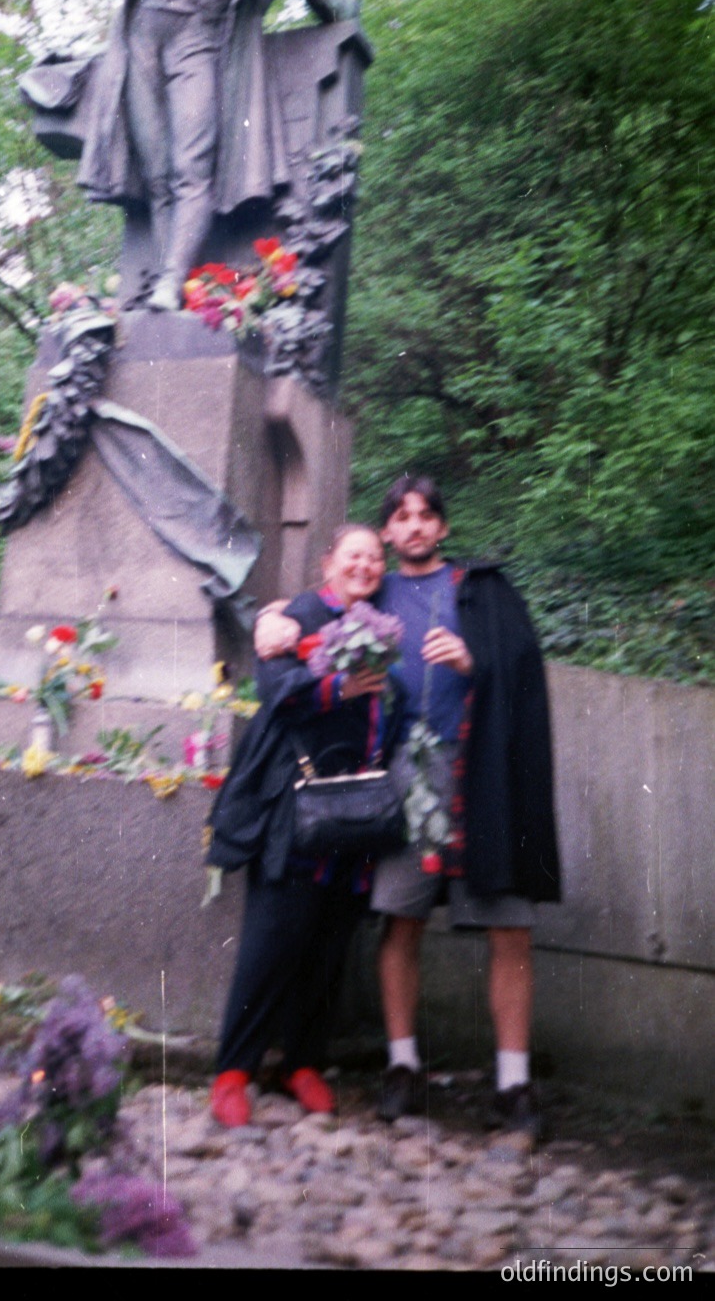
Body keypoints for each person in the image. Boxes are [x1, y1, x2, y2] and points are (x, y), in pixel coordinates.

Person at [254, 476, 561, 1140]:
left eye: (427, 515)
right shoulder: (375, 591)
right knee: (400, 916)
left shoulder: (480, 588)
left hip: (481, 772)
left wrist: (473, 659)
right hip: (404, 771)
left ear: (441, 529)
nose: (415, 525)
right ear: (388, 533)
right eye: (402, 516)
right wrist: (269, 617)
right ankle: (402, 1066)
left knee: (507, 925)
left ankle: (512, 1082)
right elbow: (311, 610)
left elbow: (521, 665)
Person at [76, 0, 359, 311]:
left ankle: (171, 283)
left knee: (192, 166)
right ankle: (165, 287)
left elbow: (343, 7)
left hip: (199, 43)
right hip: (139, 37)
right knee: (158, 172)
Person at [205, 524, 404, 1128]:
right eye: (354, 555)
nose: (365, 565)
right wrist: (337, 686)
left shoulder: (388, 620)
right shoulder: (297, 614)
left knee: (331, 943)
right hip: (295, 803)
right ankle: (233, 1072)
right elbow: (275, 690)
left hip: (361, 808)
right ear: (328, 564)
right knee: (271, 941)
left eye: (374, 557)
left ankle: (303, 1063)